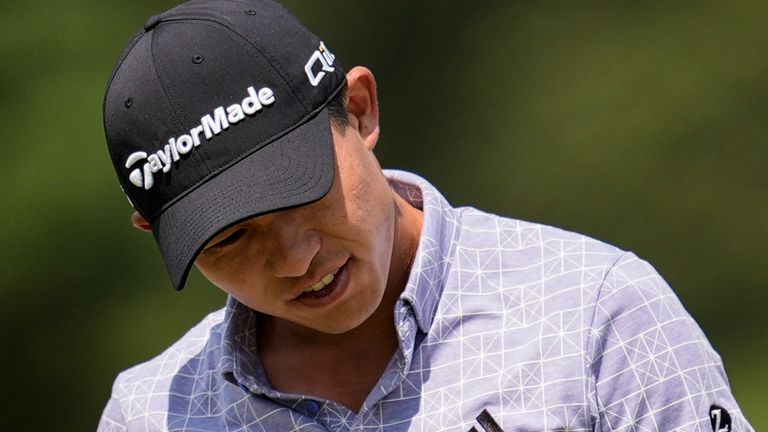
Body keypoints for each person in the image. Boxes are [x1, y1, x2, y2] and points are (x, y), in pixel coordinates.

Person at [97, 1, 753, 431]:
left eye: (301, 192)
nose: (295, 258)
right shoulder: (153, 413)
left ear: (359, 110)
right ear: (158, 235)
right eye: (232, 239)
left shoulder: (594, 316)